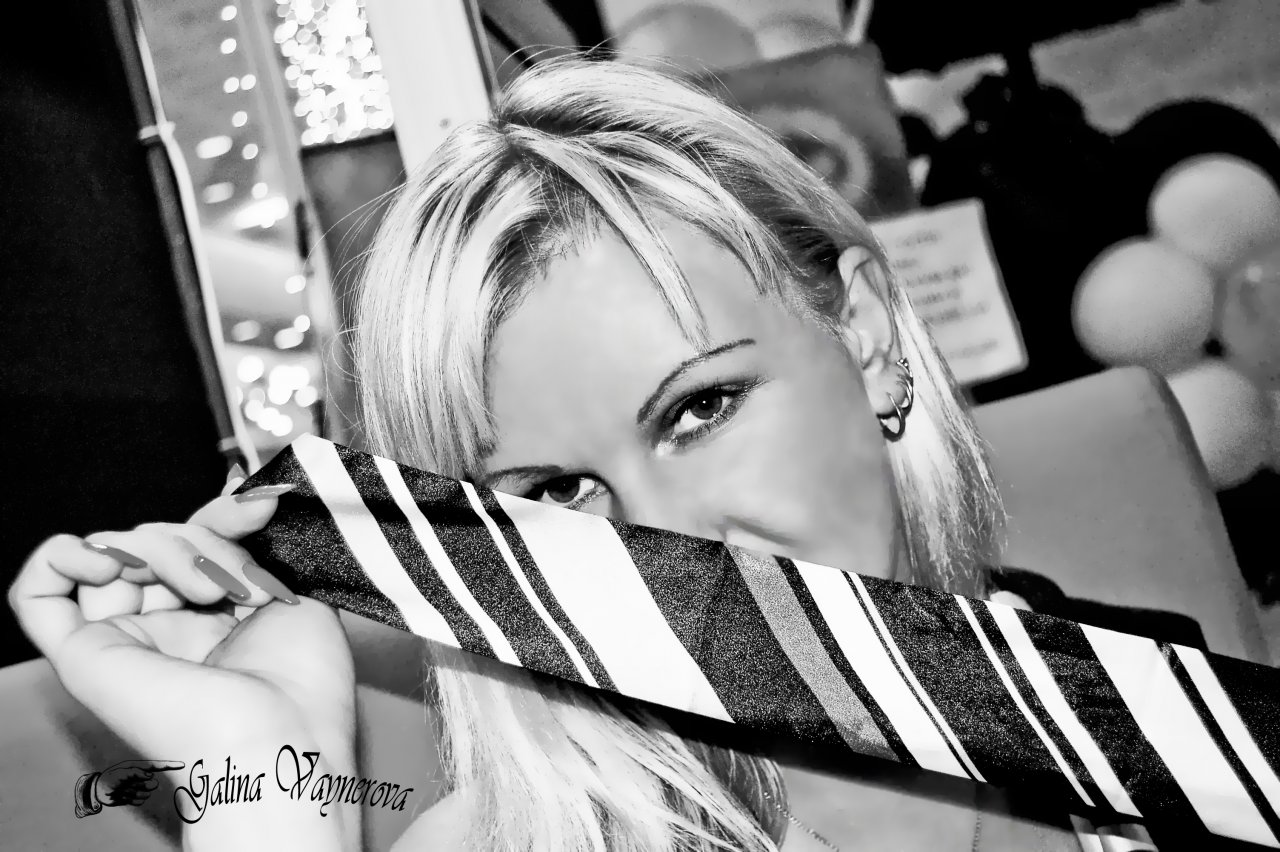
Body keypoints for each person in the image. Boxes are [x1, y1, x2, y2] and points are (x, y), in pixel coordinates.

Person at [11, 55, 1193, 851]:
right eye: (558, 490)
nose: (662, 539)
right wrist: (263, 784)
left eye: (702, 407)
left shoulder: (1171, 728)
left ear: (867, 338)